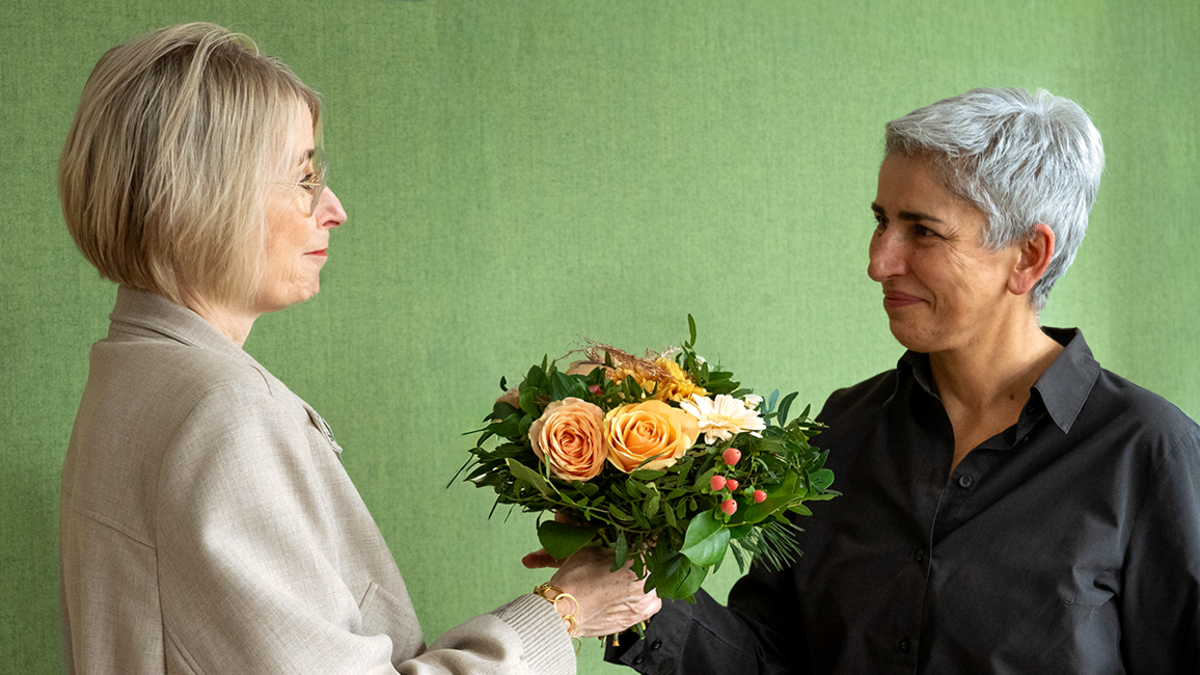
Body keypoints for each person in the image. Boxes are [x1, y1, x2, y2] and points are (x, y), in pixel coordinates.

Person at [57, 23, 658, 675]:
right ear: (196, 195)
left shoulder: (131, 375)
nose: (334, 209)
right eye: (303, 177)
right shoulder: (222, 412)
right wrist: (562, 610)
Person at [599, 88, 1200, 673]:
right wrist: (631, 590)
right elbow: (768, 658)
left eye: (923, 231)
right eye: (881, 221)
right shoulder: (841, 431)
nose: (879, 262)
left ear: (1028, 256)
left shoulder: (1148, 452)